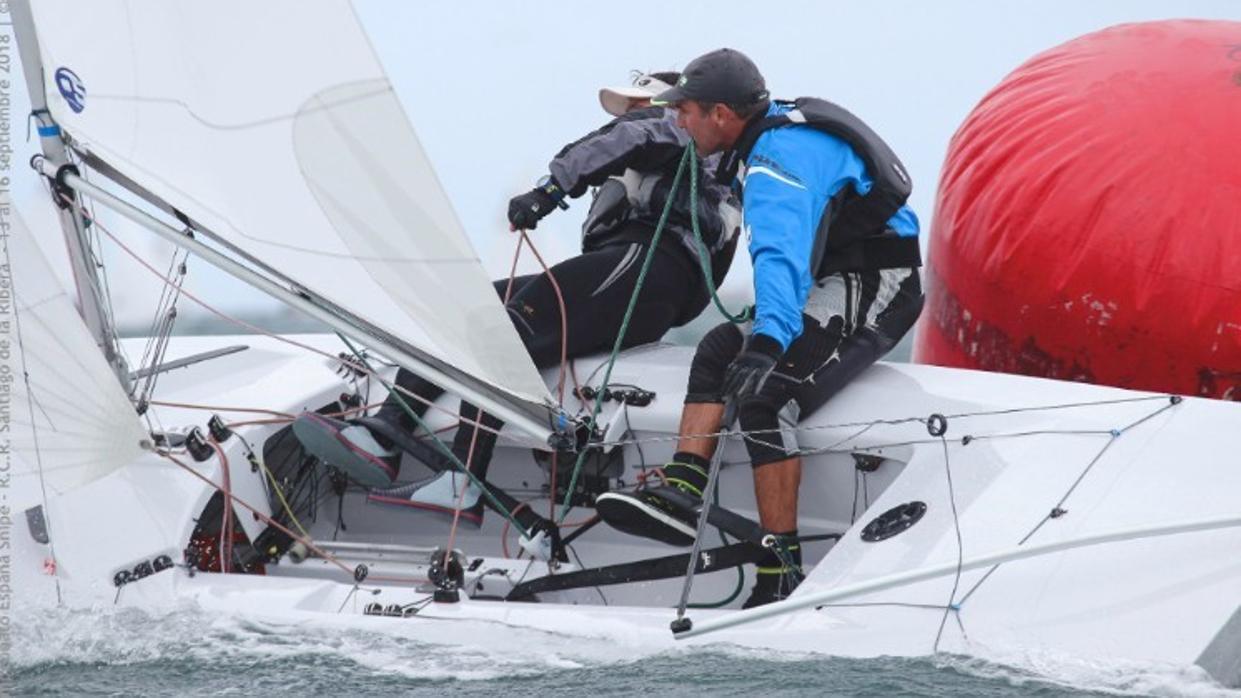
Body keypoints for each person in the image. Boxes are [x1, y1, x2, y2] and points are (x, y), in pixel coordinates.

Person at [294, 71, 741, 529]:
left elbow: (625, 137)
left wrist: (548, 191)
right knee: (469, 306)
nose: (627, 116)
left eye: (637, 104)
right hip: (629, 272)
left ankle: (462, 483)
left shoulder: (672, 127)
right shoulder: (667, 150)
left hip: (645, 272)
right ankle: (386, 431)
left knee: (500, 334)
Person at [594, 49, 924, 607]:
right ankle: (684, 487)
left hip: (877, 285)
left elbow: (781, 256)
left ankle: (782, 570)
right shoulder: (766, 133)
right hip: (833, 279)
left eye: (686, 111)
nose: (678, 121)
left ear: (722, 114)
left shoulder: (776, 165)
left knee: (767, 398)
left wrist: (770, 341)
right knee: (720, 347)